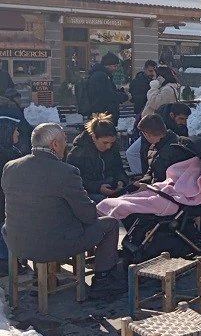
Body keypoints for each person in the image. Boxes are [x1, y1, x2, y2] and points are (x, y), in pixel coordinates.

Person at [2, 123, 126, 297]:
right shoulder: (65, 172)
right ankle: (103, 279)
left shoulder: (11, 167)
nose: (66, 145)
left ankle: (41, 276)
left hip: (16, 241)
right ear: (55, 144)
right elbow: (88, 215)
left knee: (38, 220)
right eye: (64, 140)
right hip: (53, 243)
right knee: (110, 225)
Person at [67, 113, 129, 203]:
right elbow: (73, 180)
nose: (108, 146)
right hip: (88, 191)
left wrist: (121, 181)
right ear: (94, 137)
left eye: (111, 143)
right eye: (105, 143)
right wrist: (97, 188)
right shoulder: (78, 152)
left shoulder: (113, 149)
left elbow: (118, 169)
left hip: (110, 185)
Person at [0, 117, 22, 276]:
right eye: (15, 130)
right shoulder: (11, 155)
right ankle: (8, 263)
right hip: (7, 204)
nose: (18, 133)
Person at [87, 52, 130, 125]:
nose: (116, 69)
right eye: (114, 66)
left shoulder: (103, 75)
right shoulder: (101, 76)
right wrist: (124, 96)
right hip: (103, 114)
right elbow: (106, 94)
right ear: (107, 65)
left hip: (103, 114)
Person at [0, 88, 32, 154]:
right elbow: (25, 128)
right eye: (18, 99)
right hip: (13, 149)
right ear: (14, 99)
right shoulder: (13, 110)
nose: (20, 102)